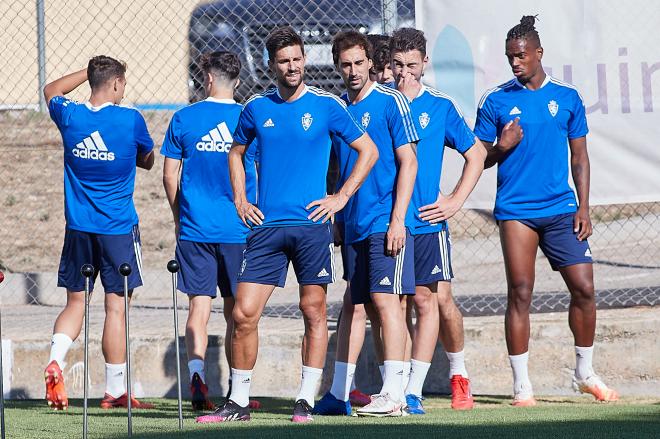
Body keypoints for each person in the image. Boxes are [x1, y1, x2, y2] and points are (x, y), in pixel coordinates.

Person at [196, 26, 378, 424]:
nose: (293, 66)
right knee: (243, 314)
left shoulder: (327, 105)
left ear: (304, 60)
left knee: (312, 311)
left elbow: (368, 150)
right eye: (284, 60)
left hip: (312, 227)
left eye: (297, 58)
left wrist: (340, 197)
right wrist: (242, 201)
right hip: (265, 228)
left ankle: (304, 400)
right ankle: (238, 402)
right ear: (271, 64)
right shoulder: (256, 108)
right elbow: (235, 152)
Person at [473, 15, 618, 406]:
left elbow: (581, 158)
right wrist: (501, 146)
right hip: (516, 211)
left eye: (521, 55)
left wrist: (583, 207)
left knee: (585, 290)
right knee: (520, 292)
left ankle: (584, 372)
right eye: (509, 58)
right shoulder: (495, 100)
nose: (515, 63)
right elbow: (479, 159)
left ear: (539, 53)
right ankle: (522, 385)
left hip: (561, 209)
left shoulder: (568, 97)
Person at [314, 30, 418, 418]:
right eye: (345, 64)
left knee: (386, 301)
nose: (353, 70)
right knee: (353, 305)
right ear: (337, 65)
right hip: (353, 223)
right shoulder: (337, 107)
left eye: (359, 63)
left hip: (383, 220)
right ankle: (339, 392)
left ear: (371, 63)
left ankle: (395, 394)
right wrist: (339, 218)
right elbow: (337, 168)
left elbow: (409, 162)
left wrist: (397, 220)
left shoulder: (391, 102)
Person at [43, 56, 155, 410]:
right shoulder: (130, 119)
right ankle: (115, 390)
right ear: (118, 84)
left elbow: (51, 89)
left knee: (76, 302)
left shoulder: (70, 116)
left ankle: (55, 362)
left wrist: (87, 74)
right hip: (117, 230)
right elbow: (148, 158)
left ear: (91, 82)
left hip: (78, 229)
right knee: (116, 308)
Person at [390, 27, 487, 413]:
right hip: (391, 222)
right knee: (397, 304)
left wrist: (455, 200)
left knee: (437, 300)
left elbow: (476, 154)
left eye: (412, 66)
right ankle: (397, 387)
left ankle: (456, 375)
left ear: (425, 63)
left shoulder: (440, 106)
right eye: (397, 65)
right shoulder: (381, 102)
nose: (405, 74)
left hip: (429, 222)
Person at [161, 51, 260, 411]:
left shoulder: (184, 118)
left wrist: (178, 216)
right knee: (238, 312)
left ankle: (197, 375)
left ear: (208, 79)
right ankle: (237, 390)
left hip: (195, 228)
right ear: (237, 81)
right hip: (238, 229)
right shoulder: (248, 117)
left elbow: (169, 175)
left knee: (198, 307)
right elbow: (259, 172)